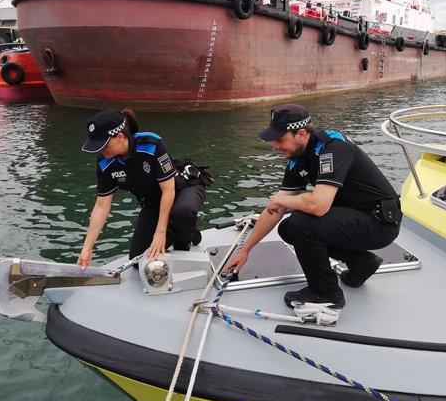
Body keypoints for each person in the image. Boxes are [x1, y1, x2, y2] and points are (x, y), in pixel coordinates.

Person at [225, 104, 402, 310]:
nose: (275, 146)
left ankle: (326, 293)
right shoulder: (297, 159)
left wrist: (283, 201)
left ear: (301, 133)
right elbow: (275, 210)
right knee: (288, 227)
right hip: (357, 218)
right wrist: (245, 250)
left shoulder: (333, 148)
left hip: (379, 223)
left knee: (301, 222)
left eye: (280, 139)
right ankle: (360, 262)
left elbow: (317, 206)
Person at [77, 109, 206, 268]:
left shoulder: (151, 144)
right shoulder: (105, 162)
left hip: (181, 189)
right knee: (138, 261)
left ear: (120, 137)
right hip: (153, 202)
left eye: (103, 144)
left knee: (183, 213)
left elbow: (168, 190)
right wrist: (87, 248)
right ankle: (185, 229)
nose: (99, 150)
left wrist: (160, 234)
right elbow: (102, 205)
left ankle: (185, 237)